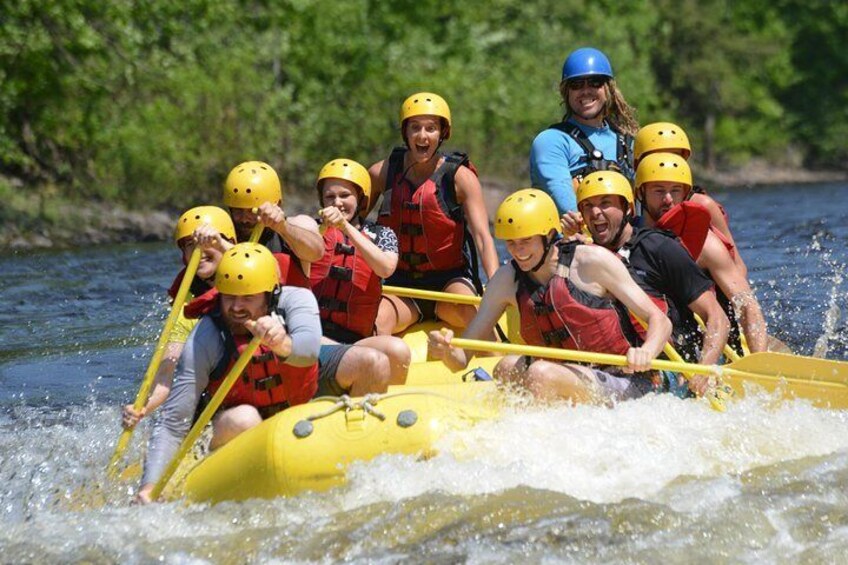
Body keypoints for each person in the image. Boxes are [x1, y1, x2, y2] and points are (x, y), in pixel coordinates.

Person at [137, 243, 387, 503]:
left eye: (248, 297)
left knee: (373, 362)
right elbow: (173, 421)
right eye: (229, 297)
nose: (236, 307)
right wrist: (149, 487)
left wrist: (281, 344)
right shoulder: (207, 335)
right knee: (244, 420)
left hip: (301, 395)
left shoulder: (296, 300)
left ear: (270, 295)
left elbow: (308, 352)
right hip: (234, 420)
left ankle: (362, 460)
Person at [428, 189, 672, 404]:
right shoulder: (506, 279)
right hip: (561, 374)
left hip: (621, 379)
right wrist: (446, 350)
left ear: (549, 235)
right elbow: (460, 359)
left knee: (540, 374)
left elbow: (659, 319)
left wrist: (647, 351)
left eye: (526, 241)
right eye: (511, 243)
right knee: (505, 368)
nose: (518, 251)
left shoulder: (590, 262)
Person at [570, 171, 730, 380]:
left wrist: (704, 371)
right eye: (588, 206)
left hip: (673, 367)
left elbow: (717, 317)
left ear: (627, 208)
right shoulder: (583, 257)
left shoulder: (659, 247)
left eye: (605, 203)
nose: (596, 212)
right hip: (618, 367)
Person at [367, 92, 499, 335]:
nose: (422, 135)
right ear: (405, 133)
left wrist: (495, 287)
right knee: (376, 322)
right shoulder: (382, 173)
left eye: (431, 128)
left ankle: (498, 365)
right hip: (401, 285)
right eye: (415, 127)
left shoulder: (460, 178)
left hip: (449, 283)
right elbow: (352, 224)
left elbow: (483, 237)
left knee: (471, 313)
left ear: (442, 134)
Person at [634, 152, 769, 353]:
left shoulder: (706, 244)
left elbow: (747, 306)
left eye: (675, 190)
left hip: (701, 343)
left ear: (685, 193)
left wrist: (760, 361)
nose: (668, 199)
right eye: (659, 191)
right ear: (640, 194)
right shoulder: (627, 233)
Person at [121, 206, 236, 429]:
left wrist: (222, 244)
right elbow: (166, 372)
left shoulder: (255, 280)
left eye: (207, 242)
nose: (199, 251)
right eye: (191, 245)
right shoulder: (186, 304)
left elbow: (255, 262)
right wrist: (142, 408)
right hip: (216, 398)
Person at [311, 158, 411, 384]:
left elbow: (385, 268)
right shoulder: (312, 229)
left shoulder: (383, 235)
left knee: (398, 350)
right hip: (311, 335)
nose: (337, 203)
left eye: (345, 195)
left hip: (356, 341)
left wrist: (345, 227)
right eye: (330, 196)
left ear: (361, 198)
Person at [529, 47, 639, 215]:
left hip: (626, 237)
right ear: (567, 92)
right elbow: (568, 208)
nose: (586, 91)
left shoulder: (627, 142)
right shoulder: (551, 141)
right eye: (576, 84)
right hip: (575, 237)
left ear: (608, 89)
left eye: (595, 82)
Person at [633, 122, 748, 277]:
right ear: (636, 164)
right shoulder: (628, 202)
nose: (665, 163)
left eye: (674, 156)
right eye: (657, 156)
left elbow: (737, 265)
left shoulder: (703, 204)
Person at [223, 160, 323, 282]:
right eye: (238, 211)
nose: (244, 218)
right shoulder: (223, 234)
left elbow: (316, 252)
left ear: (277, 204)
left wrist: (282, 227)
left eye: (251, 211)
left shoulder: (296, 224)